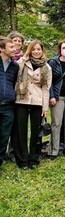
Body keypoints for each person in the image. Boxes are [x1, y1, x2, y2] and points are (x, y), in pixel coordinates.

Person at [14, 40, 52, 169]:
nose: (36, 52)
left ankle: (33, 158)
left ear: (42, 51)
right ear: (30, 50)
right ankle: (22, 159)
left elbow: (46, 88)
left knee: (36, 131)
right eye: (34, 49)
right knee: (21, 130)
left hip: (37, 101)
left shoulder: (47, 67)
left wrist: (45, 107)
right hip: (22, 99)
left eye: (39, 49)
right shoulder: (21, 63)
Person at [6, 31, 25, 162]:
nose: (17, 43)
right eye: (15, 40)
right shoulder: (6, 59)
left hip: (19, 97)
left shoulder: (24, 58)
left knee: (15, 126)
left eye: (20, 41)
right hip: (6, 95)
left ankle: (13, 151)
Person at [0, 37, 19, 167]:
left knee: (4, 135)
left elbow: (13, 84)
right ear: (2, 49)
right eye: (11, 47)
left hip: (8, 106)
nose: (15, 49)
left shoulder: (15, 66)